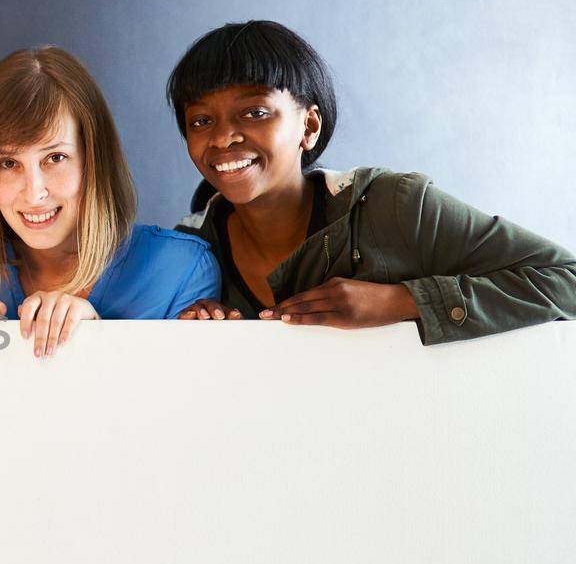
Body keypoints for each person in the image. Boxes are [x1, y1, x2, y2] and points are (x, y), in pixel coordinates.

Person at [169, 20, 576, 342]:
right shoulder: (184, 253)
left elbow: (567, 279)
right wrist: (186, 327)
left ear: (308, 125)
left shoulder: (394, 206)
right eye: (201, 120)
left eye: (255, 112)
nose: (223, 137)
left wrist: (403, 300)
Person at [0, 47, 219, 357]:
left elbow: (184, 401)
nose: (34, 193)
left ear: (95, 160)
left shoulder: (180, 271)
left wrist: (95, 335)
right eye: (8, 163)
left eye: (55, 157)